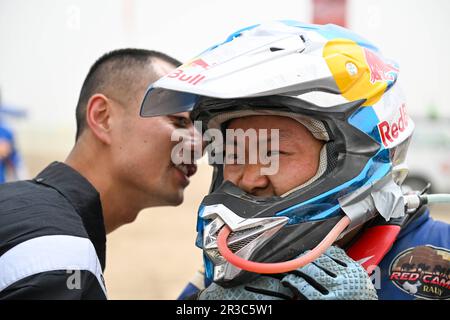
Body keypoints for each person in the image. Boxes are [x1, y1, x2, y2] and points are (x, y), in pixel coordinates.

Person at [139, 21, 450, 300]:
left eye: (272, 153)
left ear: (352, 158)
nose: (249, 179)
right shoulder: (229, 279)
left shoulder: (437, 260)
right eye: (234, 154)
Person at [0, 48, 199, 299]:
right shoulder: (61, 254)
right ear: (103, 117)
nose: (198, 143)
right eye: (180, 122)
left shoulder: (18, 210)